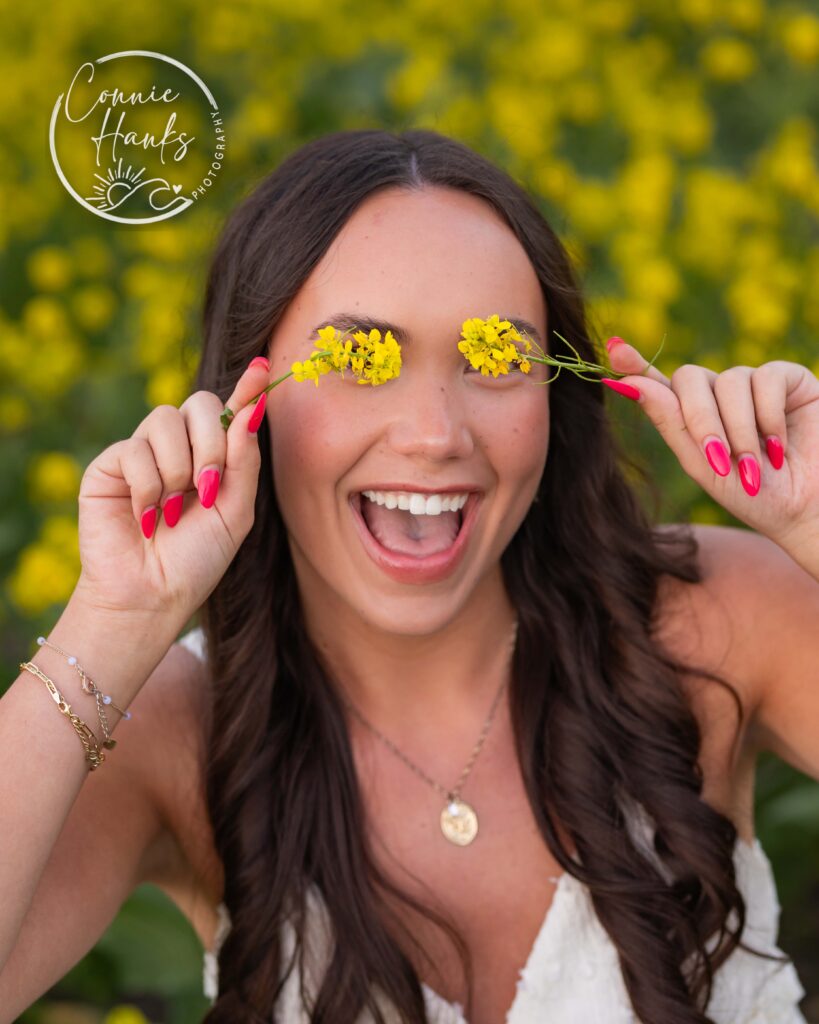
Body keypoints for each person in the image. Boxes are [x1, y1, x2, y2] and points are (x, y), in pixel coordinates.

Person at [1, 129, 817, 1024]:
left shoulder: (711, 617)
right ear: (243, 400)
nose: (434, 434)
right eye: (361, 359)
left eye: (496, 359)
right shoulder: (179, 727)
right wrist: (114, 620)